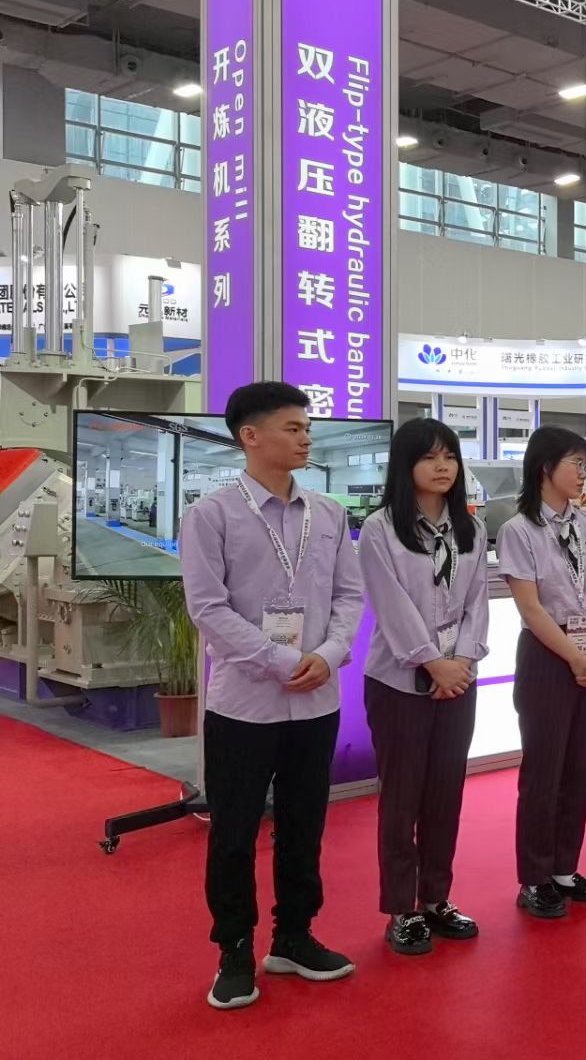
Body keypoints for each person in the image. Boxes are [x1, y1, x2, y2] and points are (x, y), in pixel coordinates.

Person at [182, 382, 365, 1009]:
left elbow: (349, 595)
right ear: (250, 436)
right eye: (292, 427)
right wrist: (283, 660)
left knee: (304, 824)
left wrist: (330, 653)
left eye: (306, 427)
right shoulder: (211, 514)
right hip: (244, 704)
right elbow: (209, 608)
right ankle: (234, 950)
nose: (306, 437)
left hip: (316, 698)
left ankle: (294, 937)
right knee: (233, 831)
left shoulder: (329, 513)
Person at [359, 418, 488, 956]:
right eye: (430, 457)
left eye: (450, 457)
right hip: (399, 682)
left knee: (445, 794)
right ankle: (402, 908)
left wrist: (462, 660)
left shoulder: (471, 528)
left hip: (458, 680)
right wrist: (434, 663)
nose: (442, 467)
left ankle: (436, 898)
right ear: (405, 464)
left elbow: (477, 601)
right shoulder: (381, 529)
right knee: (402, 798)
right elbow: (391, 607)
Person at [498, 426, 586, 919]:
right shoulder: (519, 530)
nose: (583, 473)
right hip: (549, 658)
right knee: (543, 772)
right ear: (545, 467)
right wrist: (574, 656)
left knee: (580, 768)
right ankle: (534, 877)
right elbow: (530, 608)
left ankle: (565, 869)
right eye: (576, 464)